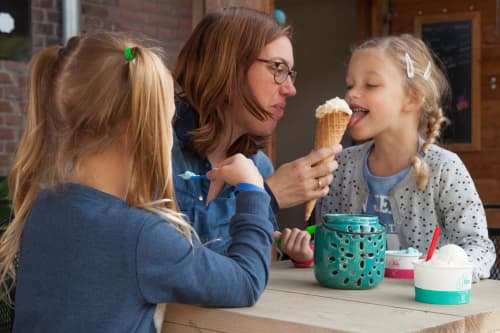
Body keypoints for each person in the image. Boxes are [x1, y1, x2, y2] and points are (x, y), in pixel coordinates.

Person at [0, 32, 276, 332]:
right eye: (167, 122)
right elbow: (246, 282)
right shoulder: (141, 236)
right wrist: (252, 188)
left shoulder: (45, 204)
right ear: (140, 128)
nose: (170, 134)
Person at [317, 34, 496, 282]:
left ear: (412, 99)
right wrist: (306, 252)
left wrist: (447, 271)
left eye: (370, 85)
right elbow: (326, 246)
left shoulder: (445, 168)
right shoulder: (342, 166)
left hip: (424, 311)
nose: (351, 95)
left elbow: (479, 247)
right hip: (353, 310)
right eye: (349, 85)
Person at [173, 6, 341, 267]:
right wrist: (266, 195)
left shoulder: (259, 166)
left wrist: (293, 253)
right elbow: (161, 249)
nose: (291, 89)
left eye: (290, 73)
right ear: (227, 67)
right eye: (277, 68)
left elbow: (247, 271)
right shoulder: (156, 143)